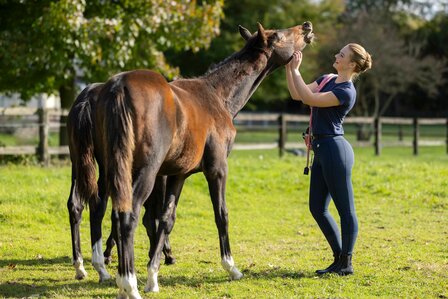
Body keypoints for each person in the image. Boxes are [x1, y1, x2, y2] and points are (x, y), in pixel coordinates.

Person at [285, 43, 372, 275]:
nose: (336, 55)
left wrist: (296, 70)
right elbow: (296, 93)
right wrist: (287, 66)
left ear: (351, 64)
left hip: (335, 151)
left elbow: (309, 99)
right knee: (317, 207)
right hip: (321, 149)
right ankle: (338, 258)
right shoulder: (327, 78)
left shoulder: (346, 92)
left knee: (346, 210)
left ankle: (347, 262)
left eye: (341, 55)